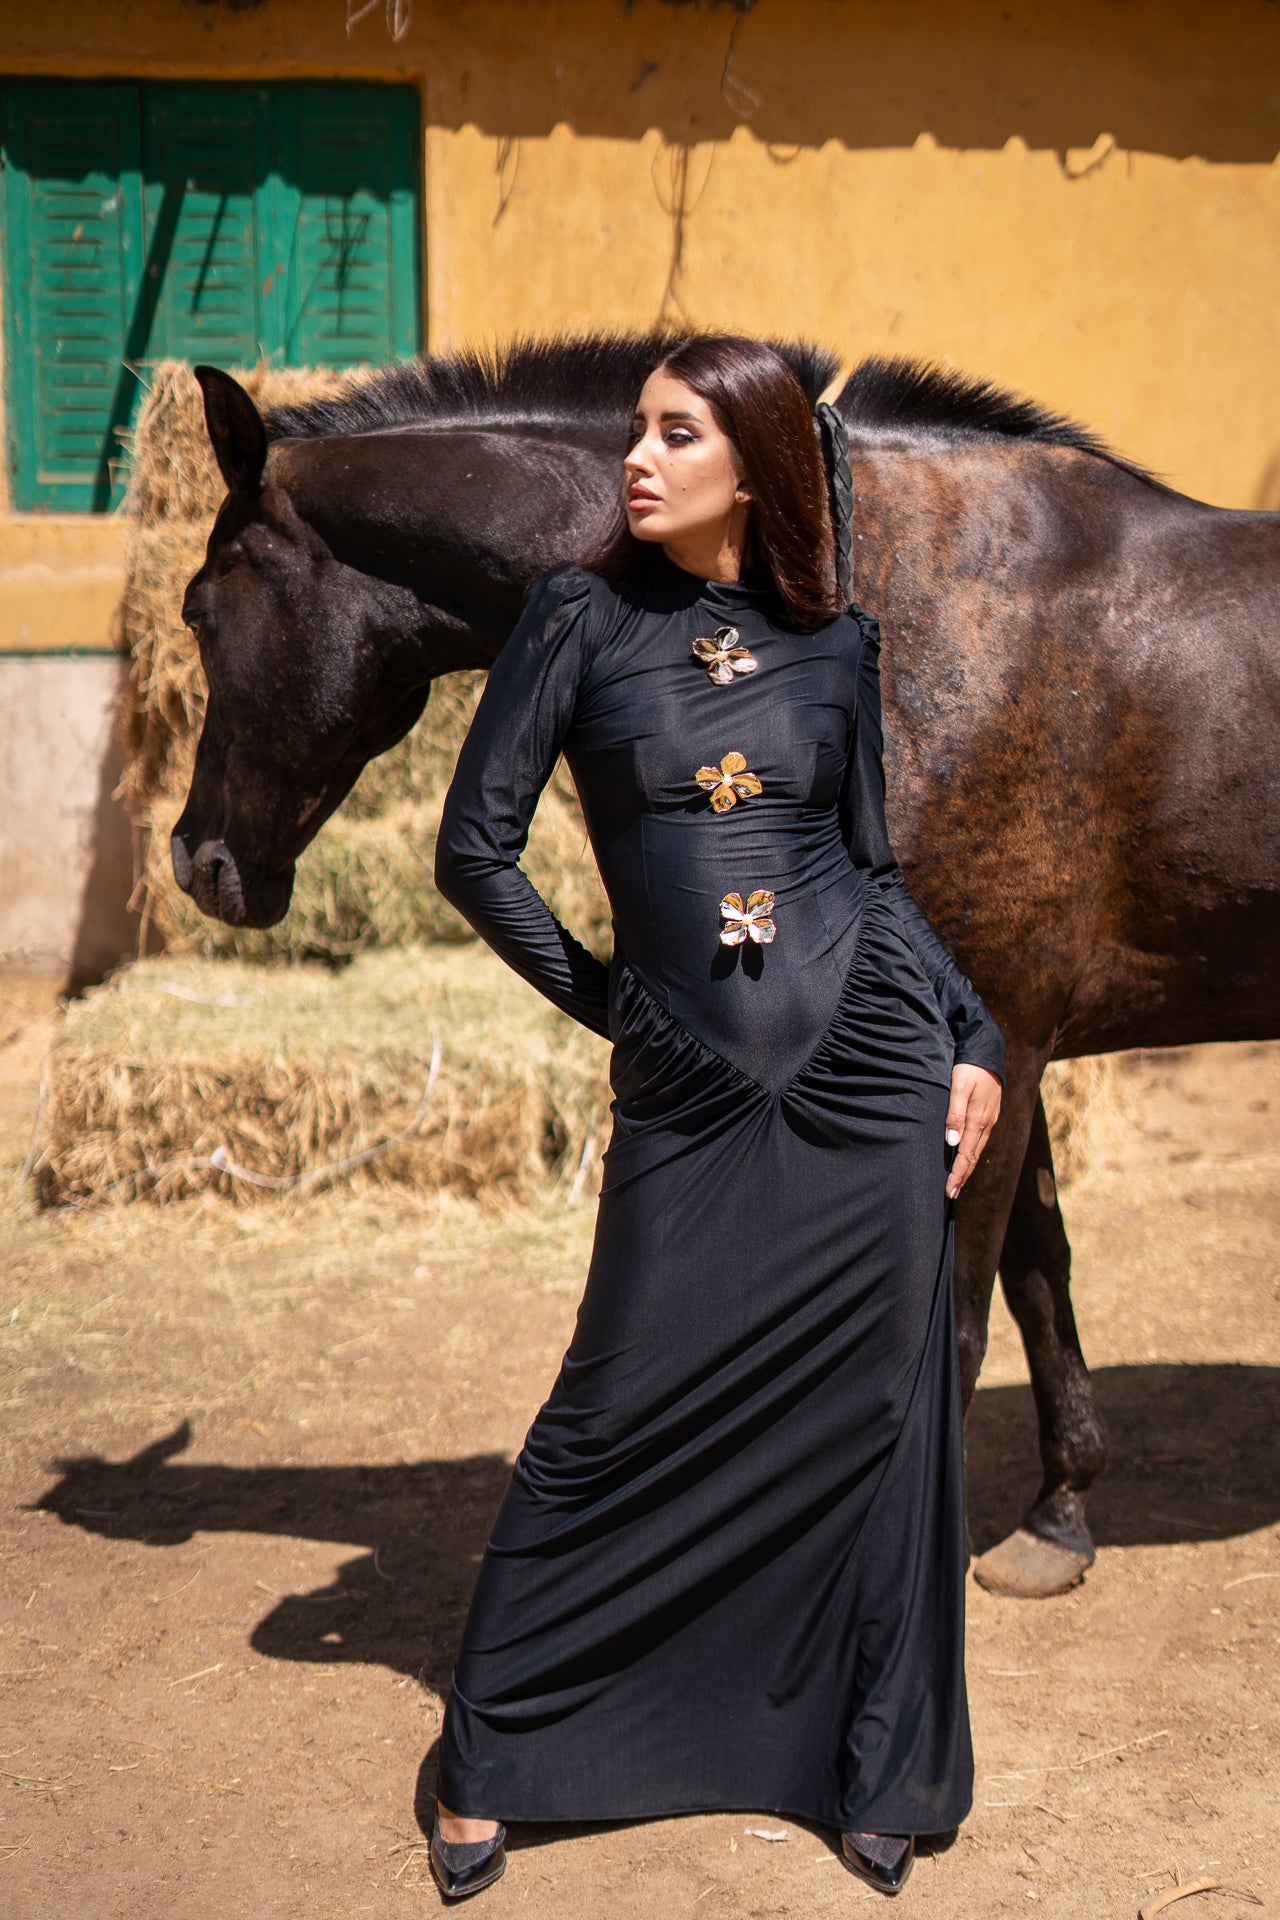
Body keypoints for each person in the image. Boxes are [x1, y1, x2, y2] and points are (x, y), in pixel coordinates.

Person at [427, 334, 1005, 1902]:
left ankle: (874, 1757)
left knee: (881, 1422)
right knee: (607, 1411)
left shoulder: (838, 643)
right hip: (691, 1085)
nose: (639, 457)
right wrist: (617, 1004)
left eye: (677, 434)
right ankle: (498, 1749)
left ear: (751, 465)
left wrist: (976, 1032)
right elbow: (473, 854)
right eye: (637, 430)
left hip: (869, 1070)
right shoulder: (578, 617)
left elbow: (873, 876)